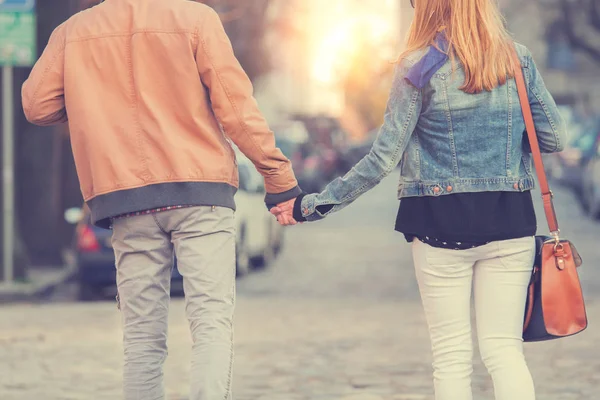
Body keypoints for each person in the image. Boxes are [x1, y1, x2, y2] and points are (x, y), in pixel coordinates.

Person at [271, 0, 566, 399]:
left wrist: (313, 206)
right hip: (509, 222)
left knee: (451, 356)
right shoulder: (516, 59)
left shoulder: (418, 66)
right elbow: (553, 138)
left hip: (437, 226)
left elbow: (382, 159)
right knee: (503, 350)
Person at [22, 0, 299, 399]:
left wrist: (96, 104)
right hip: (200, 191)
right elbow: (235, 107)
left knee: (141, 337)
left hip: (126, 198)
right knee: (210, 321)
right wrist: (278, 176)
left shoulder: (73, 31)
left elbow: (36, 104)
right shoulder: (196, 19)